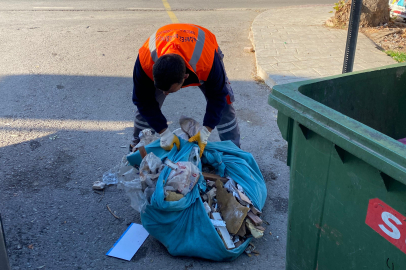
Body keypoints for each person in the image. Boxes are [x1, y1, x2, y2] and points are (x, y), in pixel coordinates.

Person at [131, 23, 240, 156]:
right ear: (154, 71)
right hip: (165, 45)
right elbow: (142, 101)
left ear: (185, 78)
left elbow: (218, 96)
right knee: (145, 110)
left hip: (203, 50)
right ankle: (138, 150)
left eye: (169, 91)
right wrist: (163, 131)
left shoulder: (207, 63)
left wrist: (206, 130)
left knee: (225, 105)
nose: (165, 94)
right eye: (162, 89)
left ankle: (234, 152)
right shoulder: (145, 61)